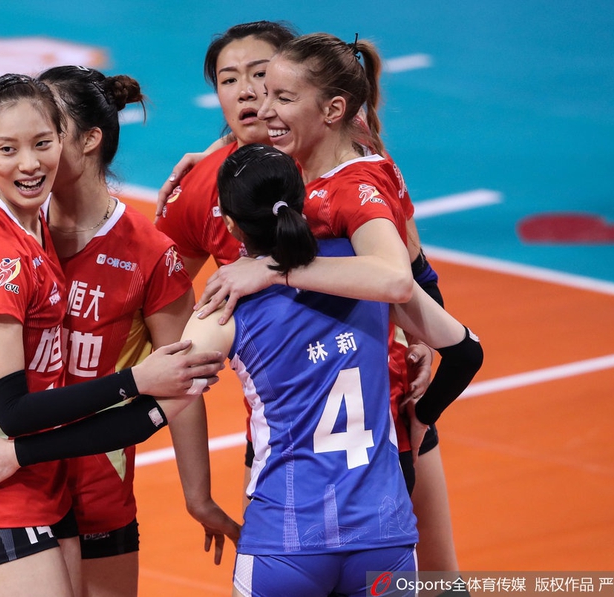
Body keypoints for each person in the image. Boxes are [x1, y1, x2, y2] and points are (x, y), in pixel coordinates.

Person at [154, 23, 459, 573]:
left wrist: (421, 335)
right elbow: (160, 297)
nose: (252, 94)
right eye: (230, 79)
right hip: (288, 433)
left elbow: (411, 272)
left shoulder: (352, 167)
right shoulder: (208, 185)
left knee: (436, 579)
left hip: (386, 416)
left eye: (264, 78)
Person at [0, 72, 224, 597]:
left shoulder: (140, 251)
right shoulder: (14, 232)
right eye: (11, 145)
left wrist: (197, 495)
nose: (31, 158)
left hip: (90, 481)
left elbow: (181, 379)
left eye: (45, 136)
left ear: (81, 139)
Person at [182, 143, 481, 596]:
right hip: (384, 538)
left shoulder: (228, 298)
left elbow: (174, 389)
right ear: (302, 202)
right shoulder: (369, 273)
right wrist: (422, 415)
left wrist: (199, 498)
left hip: (285, 541)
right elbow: (467, 352)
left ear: (228, 222)